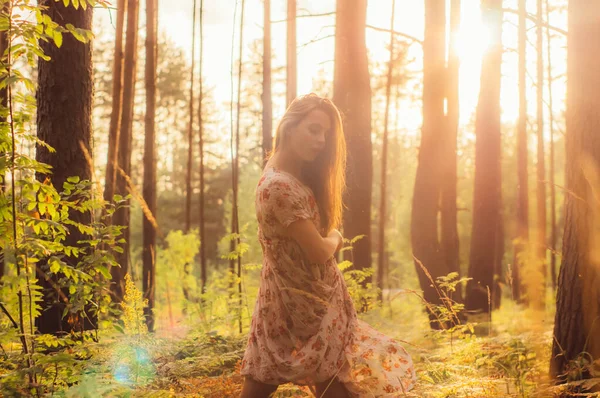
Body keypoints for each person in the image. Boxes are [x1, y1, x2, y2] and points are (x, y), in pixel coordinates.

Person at [240, 93, 416, 397]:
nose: (321, 140)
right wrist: (336, 235)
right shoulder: (279, 186)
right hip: (302, 302)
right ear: (289, 127)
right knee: (275, 378)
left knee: (276, 377)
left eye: (325, 133)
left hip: (300, 298)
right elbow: (319, 251)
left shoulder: (286, 177)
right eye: (313, 129)